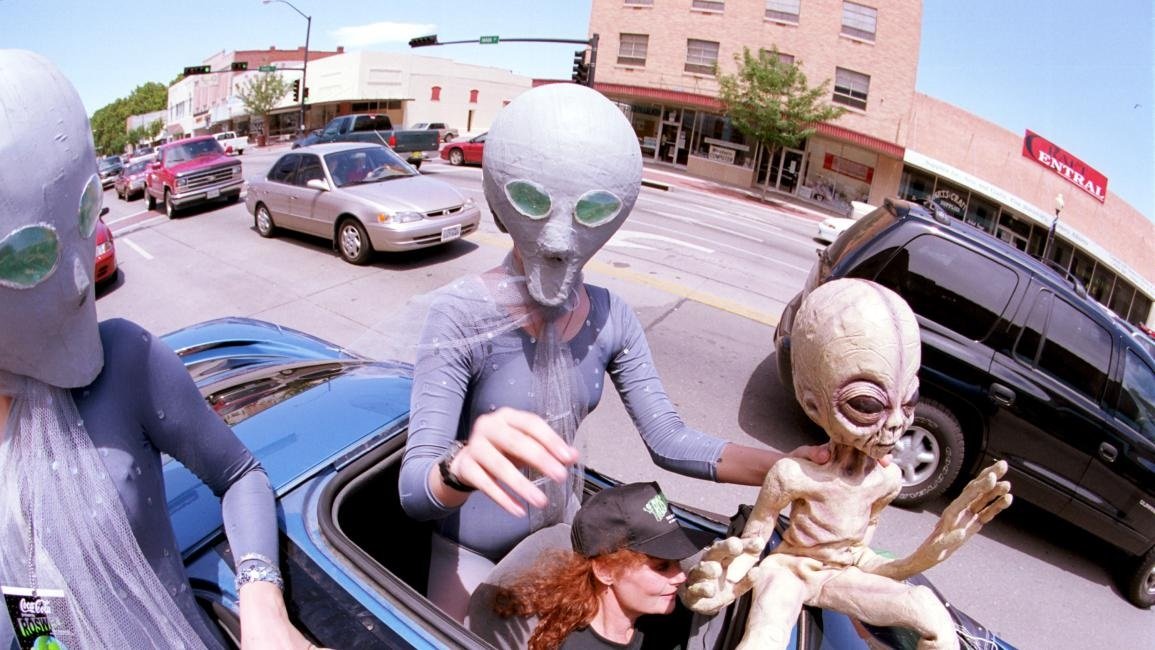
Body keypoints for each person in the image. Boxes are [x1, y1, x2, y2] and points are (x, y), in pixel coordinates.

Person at [398, 82, 827, 621]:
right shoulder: (461, 314)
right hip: (469, 554)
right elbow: (414, 492)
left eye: (592, 209)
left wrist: (787, 467)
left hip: (561, 540)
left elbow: (669, 439)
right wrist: (459, 466)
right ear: (502, 199)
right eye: (532, 201)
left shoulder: (611, 317)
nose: (558, 240)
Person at [0, 49, 315, 649]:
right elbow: (29, 619)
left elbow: (240, 474)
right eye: (26, 259)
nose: (78, 280)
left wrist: (262, 601)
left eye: (87, 215)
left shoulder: (125, 362)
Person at [490, 482, 703, 650]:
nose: (681, 577)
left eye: (678, 562)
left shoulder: (670, 615)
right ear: (605, 570)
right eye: (662, 567)